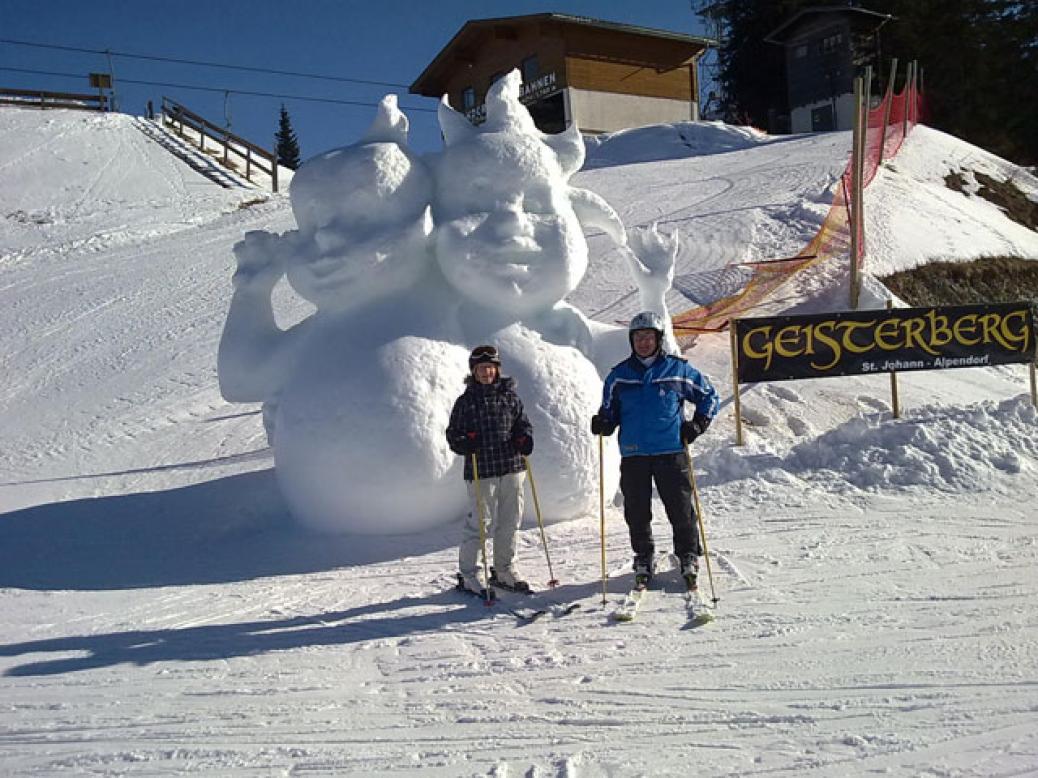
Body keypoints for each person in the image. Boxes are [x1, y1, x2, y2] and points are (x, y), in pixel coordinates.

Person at [591, 311, 720, 590]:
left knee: (680, 507)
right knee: (636, 511)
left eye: (649, 337)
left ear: (658, 339)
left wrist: (698, 424)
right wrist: (603, 422)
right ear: (631, 341)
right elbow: (609, 412)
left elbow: (709, 396)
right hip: (634, 453)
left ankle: (687, 553)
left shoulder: (678, 370)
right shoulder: (619, 376)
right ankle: (643, 556)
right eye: (638, 337)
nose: (644, 342)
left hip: (670, 450)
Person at [447, 345, 535, 596]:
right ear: (473, 371)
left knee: (510, 521)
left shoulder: (510, 397)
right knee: (480, 523)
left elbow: (523, 424)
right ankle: (469, 573)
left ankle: (503, 569)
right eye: (481, 368)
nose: (487, 373)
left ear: (498, 369)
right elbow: (453, 434)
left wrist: (524, 438)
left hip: (512, 466)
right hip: (481, 470)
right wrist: (463, 442)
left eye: (491, 368)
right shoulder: (466, 402)